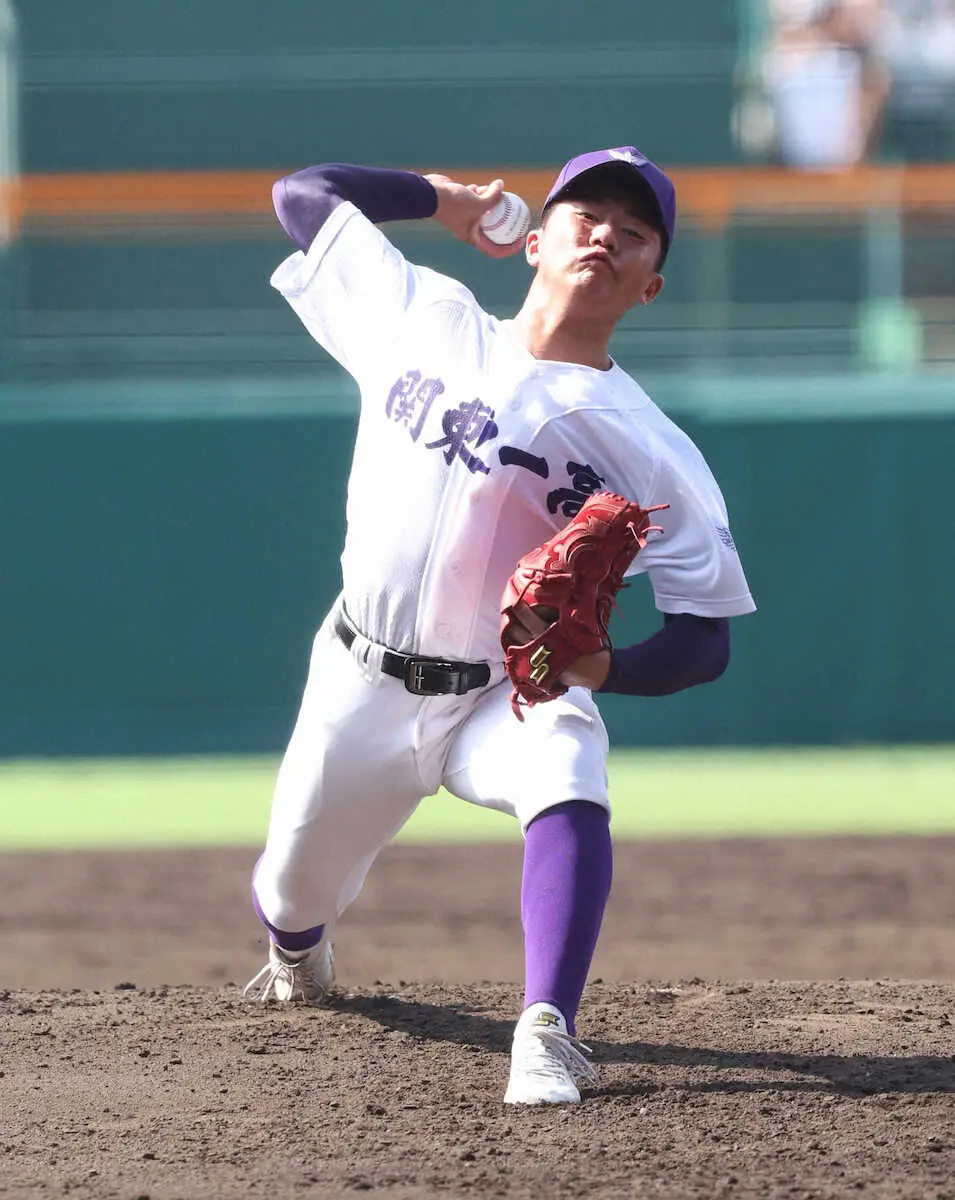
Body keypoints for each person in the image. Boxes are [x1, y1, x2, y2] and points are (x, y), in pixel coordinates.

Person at [243, 146, 756, 1105]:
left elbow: (705, 637)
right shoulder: (424, 317)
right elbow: (301, 196)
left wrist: (603, 667)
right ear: (535, 241)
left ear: (650, 286)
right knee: (291, 893)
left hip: (500, 688)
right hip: (360, 678)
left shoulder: (652, 450)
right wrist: (447, 201)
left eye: (633, 231)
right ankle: (297, 953)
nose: (604, 234)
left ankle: (547, 1030)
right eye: (584, 215)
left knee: (569, 761)